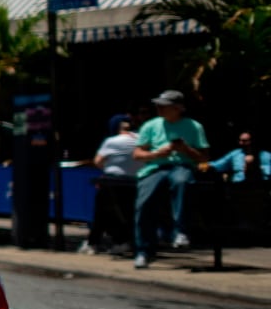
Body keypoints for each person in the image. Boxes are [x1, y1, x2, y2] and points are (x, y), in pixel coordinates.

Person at [132, 89, 208, 268]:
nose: (159, 108)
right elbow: (137, 153)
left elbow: (204, 157)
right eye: (158, 105)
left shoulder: (194, 126)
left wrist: (186, 150)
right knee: (144, 203)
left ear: (177, 108)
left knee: (182, 181)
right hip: (156, 166)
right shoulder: (151, 125)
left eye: (164, 106)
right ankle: (144, 250)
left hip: (181, 165)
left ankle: (180, 231)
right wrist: (157, 153)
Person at [82, 115, 139, 256]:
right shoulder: (141, 140)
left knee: (102, 212)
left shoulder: (111, 141)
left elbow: (98, 161)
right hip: (135, 182)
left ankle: (94, 243)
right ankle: (121, 242)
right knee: (128, 213)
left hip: (111, 182)